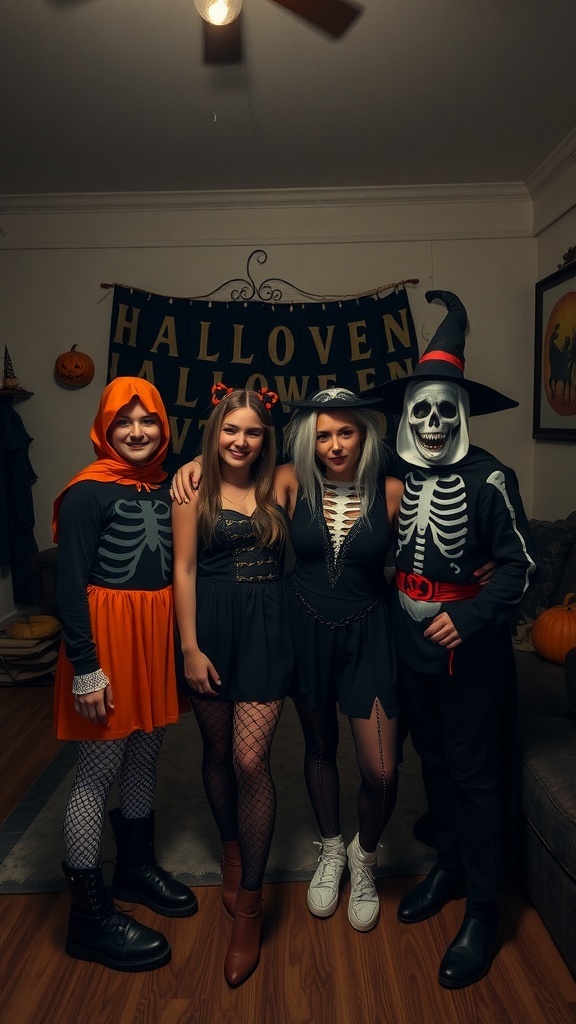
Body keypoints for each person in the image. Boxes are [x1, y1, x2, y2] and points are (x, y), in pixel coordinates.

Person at [173, 387, 404, 934]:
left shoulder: (393, 489)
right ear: (308, 440)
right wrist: (193, 462)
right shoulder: (288, 480)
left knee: (382, 770)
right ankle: (327, 849)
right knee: (314, 747)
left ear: (367, 433)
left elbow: (421, 556)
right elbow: (231, 465)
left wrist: (482, 577)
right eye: (323, 434)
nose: (334, 443)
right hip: (299, 628)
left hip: (358, 631)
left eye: (346, 431)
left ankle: (362, 857)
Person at [364, 290, 537, 989]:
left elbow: (523, 566)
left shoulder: (491, 477)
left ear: (460, 416)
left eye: (444, 411)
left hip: (468, 650)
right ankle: (450, 868)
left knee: (474, 772)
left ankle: (485, 911)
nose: (432, 422)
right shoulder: (394, 476)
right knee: (431, 761)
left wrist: (470, 613)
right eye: (420, 411)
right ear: (406, 417)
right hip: (410, 648)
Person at [53, 376, 197, 974]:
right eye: (123, 423)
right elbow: (68, 583)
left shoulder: (169, 485)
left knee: (145, 752)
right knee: (97, 769)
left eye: (149, 422)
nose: (137, 433)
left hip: (154, 635)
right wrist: (86, 668)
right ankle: (87, 915)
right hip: (106, 642)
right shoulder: (88, 494)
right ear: (105, 430)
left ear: (165, 428)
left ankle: (135, 867)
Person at [171, 385, 293, 988]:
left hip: (268, 629)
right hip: (212, 631)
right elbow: (184, 569)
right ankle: (230, 847)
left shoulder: (282, 483)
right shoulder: (193, 487)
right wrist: (190, 647)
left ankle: (250, 905)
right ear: (215, 430)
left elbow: (362, 476)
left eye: (252, 431)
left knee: (252, 759)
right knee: (218, 753)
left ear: (265, 438)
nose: (240, 441)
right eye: (230, 430)